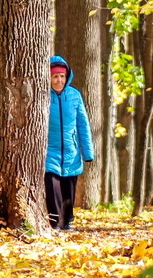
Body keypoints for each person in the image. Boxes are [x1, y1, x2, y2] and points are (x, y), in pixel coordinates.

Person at [46, 56, 94, 230]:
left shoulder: (74, 95)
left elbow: (83, 123)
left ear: (67, 77)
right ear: (49, 78)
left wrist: (87, 152)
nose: (59, 80)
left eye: (62, 76)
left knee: (69, 190)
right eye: (55, 76)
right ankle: (54, 222)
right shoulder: (43, 95)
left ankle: (67, 222)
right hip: (49, 151)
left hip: (71, 150)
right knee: (52, 187)